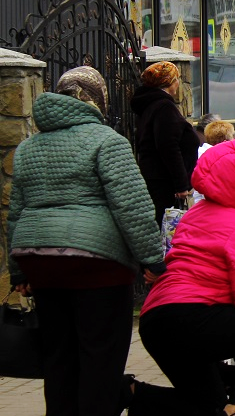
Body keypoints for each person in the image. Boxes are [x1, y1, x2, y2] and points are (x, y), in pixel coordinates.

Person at [7, 67, 165, 416]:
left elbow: (16, 211)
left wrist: (18, 271)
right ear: (97, 100)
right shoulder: (107, 141)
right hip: (98, 265)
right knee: (101, 356)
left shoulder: (28, 147)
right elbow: (132, 206)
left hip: (41, 260)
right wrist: (153, 258)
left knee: (58, 355)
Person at [132, 138, 235, 416]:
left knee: (206, 404)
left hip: (155, 319)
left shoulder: (194, 215)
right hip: (193, 316)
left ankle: (132, 393)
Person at [133, 60, 200, 224]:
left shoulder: (152, 105)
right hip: (165, 184)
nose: (178, 83)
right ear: (169, 82)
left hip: (158, 179)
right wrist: (181, 185)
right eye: (176, 79)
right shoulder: (164, 107)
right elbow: (168, 146)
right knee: (166, 227)